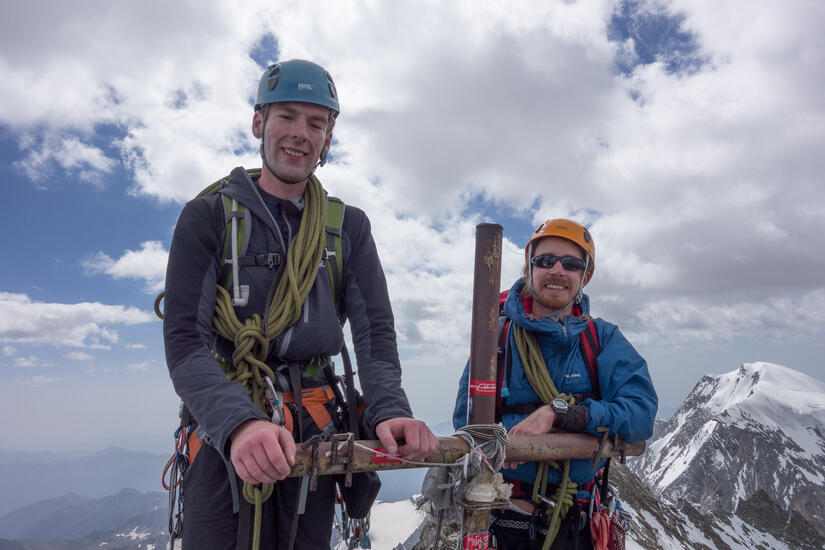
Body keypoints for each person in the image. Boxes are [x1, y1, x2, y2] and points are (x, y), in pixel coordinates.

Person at [163, 59, 438, 549]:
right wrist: (240, 422)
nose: (300, 134)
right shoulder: (208, 218)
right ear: (258, 122)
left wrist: (389, 410)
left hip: (315, 433)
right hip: (226, 431)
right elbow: (186, 342)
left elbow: (375, 336)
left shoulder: (348, 228)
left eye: (316, 123)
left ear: (328, 138)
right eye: (287, 116)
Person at [453, 219, 657, 549]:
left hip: (579, 521)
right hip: (509, 519)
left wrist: (559, 415)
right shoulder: (497, 337)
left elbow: (640, 416)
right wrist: (510, 437)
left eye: (571, 263)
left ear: (585, 275)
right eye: (545, 260)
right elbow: (467, 420)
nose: (557, 270)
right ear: (529, 268)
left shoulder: (602, 339)